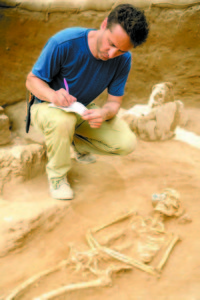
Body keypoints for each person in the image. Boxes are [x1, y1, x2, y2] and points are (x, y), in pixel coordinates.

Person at [26, 4, 149, 200]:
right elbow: (31, 80)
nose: (111, 54)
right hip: (45, 105)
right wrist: (53, 95)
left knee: (126, 143)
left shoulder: (124, 59)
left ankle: (78, 145)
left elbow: (114, 103)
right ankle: (57, 176)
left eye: (120, 50)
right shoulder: (64, 42)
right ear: (103, 25)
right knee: (62, 121)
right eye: (111, 43)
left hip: (80, 108)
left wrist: (104, 113)